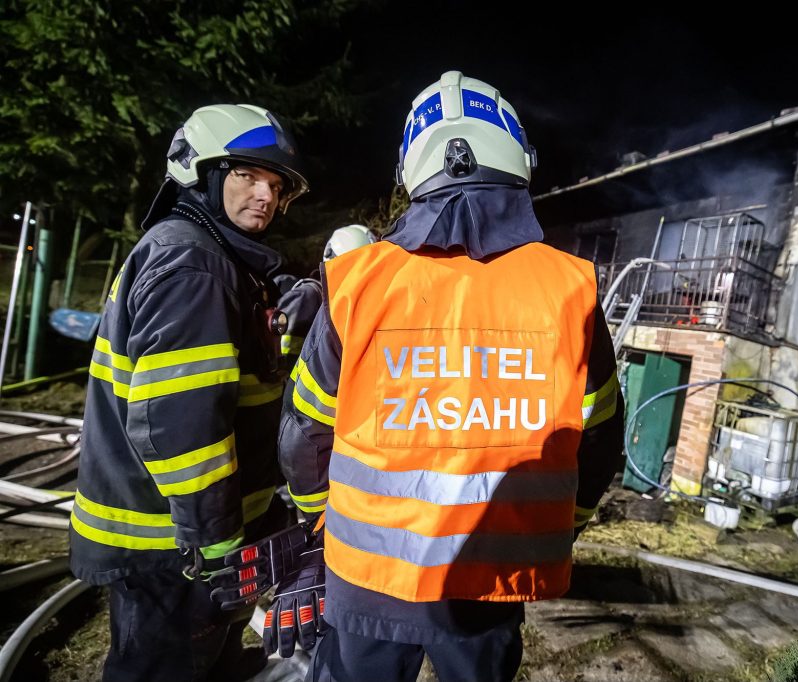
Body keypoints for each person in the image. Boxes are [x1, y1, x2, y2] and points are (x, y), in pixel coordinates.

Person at [276, 71, 625, 682]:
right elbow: (598, 439)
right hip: (491, 583)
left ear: (411, 167)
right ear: (517, 157)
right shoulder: (570, 290)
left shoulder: (357, 283)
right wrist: (555, 528)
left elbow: (304, 432)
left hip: (366, 579)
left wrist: (321, 523)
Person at [69, 103, 311, 682]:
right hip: (178, 547)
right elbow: (183, 426)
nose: (265, 196)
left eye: (276, 185)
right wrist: (219, 548)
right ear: (200, 173)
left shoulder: (204, 252)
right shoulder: (193, 265)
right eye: (247, 175)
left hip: (183, 536)